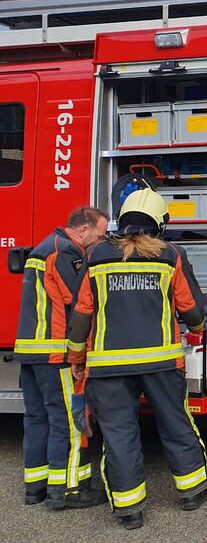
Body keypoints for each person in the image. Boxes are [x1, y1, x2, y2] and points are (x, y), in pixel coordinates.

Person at [66, 189, 207, 530]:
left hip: (108, 367)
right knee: (175, 423)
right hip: (161, 364)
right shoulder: (170, 255)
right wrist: (199, 327)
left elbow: (82, 313)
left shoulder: (97, 255)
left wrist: (76, 357)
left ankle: (129, 510)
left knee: (118, 434)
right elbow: (191, 309)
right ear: (160, 223)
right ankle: (192, 491)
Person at [16, 206, 109, 510]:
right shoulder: (66, 252)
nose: (100, 241)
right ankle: (68, 489)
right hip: (55, 352)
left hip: (31, 350)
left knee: (36, 418)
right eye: (100, 235)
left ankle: (36, 487)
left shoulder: (44, 247)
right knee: (68, 422)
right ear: (83, 230)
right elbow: (80, 301)